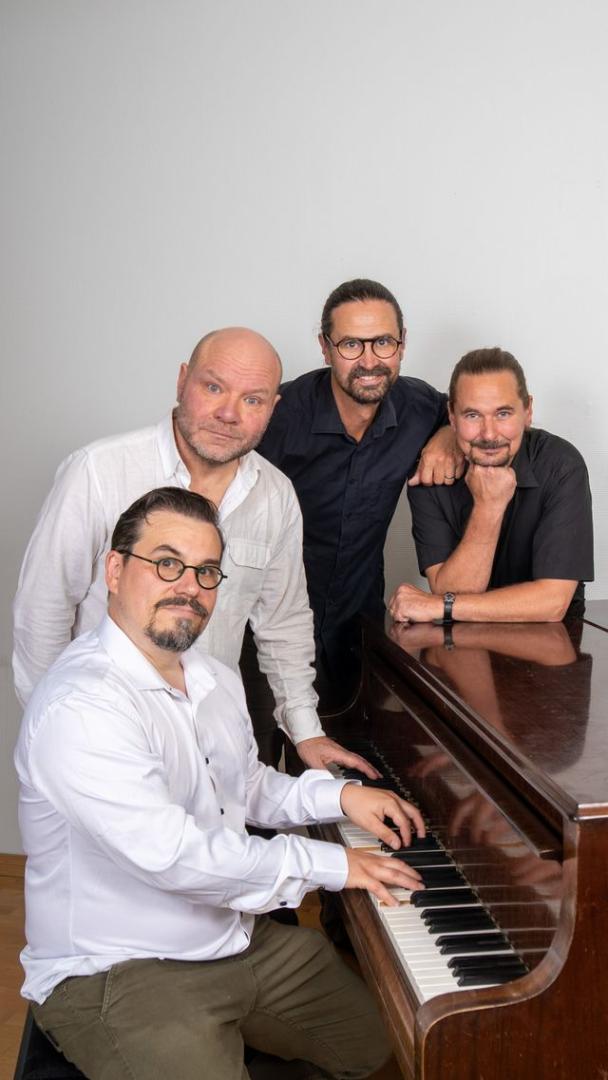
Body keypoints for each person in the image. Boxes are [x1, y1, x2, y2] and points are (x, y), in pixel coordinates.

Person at [15, 487, 426, 1080]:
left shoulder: (212, 676)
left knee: (384, 1048)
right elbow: (175, 857)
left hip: (233, 937)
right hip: (117, 969)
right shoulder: (81, 705)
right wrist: (335, 865)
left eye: (207, 572)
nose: (190, 587)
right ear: (114, 569)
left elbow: (245, 786)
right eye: (167, 563)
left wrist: (338, 795)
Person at [12, 327, 374, 775]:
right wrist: (54, 729)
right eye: (214, 387)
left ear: (272, 409)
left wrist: (306, 732)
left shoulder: (276, 495)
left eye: (253, 400)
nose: (229, 414)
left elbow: (284, 623)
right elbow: (42, 611)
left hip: (213, 740)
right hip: (104, 735)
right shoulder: (98, 472)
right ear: (183, 380)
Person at [258, 278, 462, 708]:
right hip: (266, 632)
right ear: (325, 347)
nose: (369, 361)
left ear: (402, 344)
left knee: (357, 743)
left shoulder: (418, 406)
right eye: (351, 344)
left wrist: (447, 434)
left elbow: (460, 410)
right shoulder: (279, 417)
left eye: (383, 342)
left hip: (358, 630)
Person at [389, 347, 594, 624]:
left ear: (528, 411)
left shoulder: (561, 465)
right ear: (452, 418)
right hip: (461, 639)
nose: (488, 434)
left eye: (503, 414)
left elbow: (553, 603)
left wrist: (441, 606)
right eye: (472, 415)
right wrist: (488, 508)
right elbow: (450, 592)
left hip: (553, 642)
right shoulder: (430, 475)